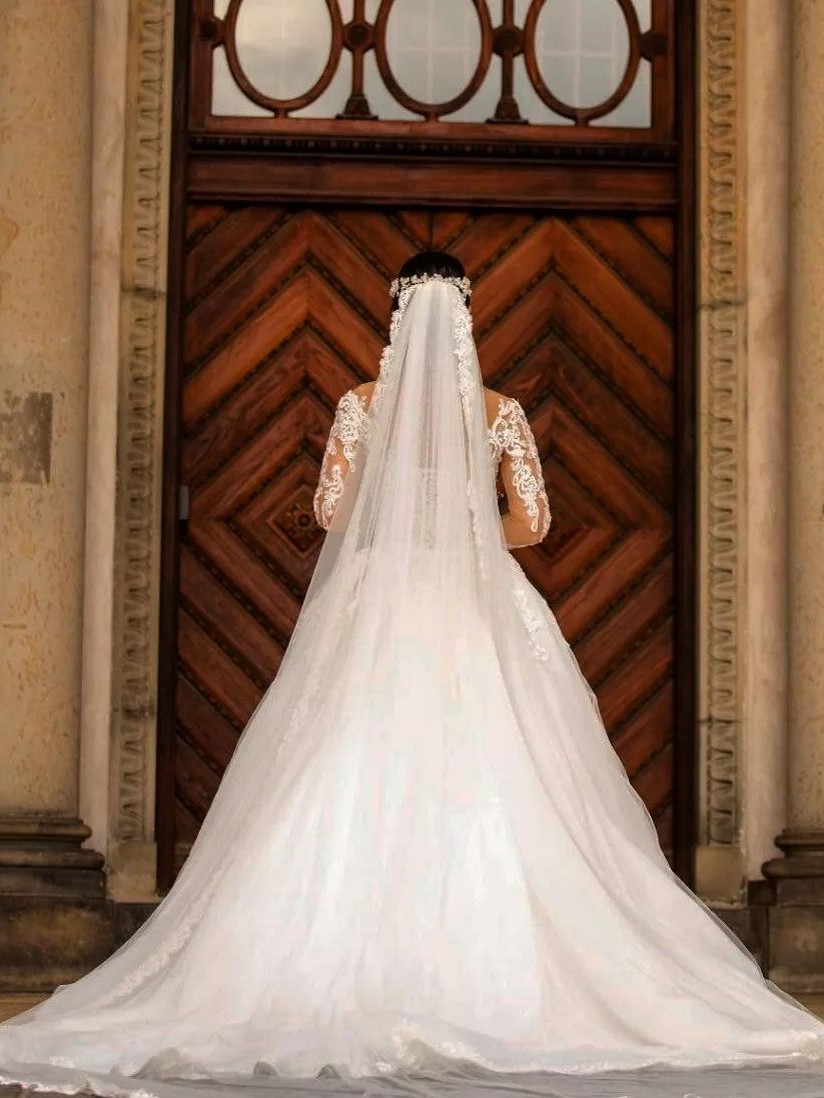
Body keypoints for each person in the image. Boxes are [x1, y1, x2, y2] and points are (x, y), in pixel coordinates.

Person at [1, 252, 823, 1098]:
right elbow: (534, 523)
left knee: (348, 755)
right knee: (504, 762)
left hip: (380, 603)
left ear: (396, 312)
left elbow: (330, 512)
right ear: (466, 314)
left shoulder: (362, 404)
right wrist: (461, 533)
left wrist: (399, 524)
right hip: (471, 604)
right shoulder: (500, 411)